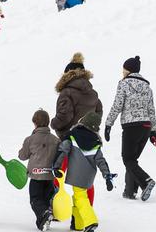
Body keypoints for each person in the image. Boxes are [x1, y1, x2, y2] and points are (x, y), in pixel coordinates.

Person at [51, 52, 103, 204]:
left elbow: (65, 116)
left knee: (58, 172)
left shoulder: (67, 92)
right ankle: (86, 210)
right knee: (85, 179)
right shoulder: (93, 93)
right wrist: (91, 129)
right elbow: (98, 113)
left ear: (68, 74)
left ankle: (56, 207)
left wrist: (54, 123)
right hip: (89, 141)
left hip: (69, 139)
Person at [104, 56, 156, 201]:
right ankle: (130, 191)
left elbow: (117, 105)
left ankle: (146, 181)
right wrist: (153, 131)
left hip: (131, 126)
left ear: (128, 70)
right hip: (146, 126)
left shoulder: (124, 84)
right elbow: (151, 110)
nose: (122, 72)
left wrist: (108, 124)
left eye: (124, 69)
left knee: (128, 159)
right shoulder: (147, 87)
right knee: (132, 160)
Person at [51, 112, 115, 232]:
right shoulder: (96, 141)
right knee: (78, 196)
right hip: (89, 176)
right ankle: (78, 224)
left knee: (80, 198)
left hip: (76, 174)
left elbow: (62, 151)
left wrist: (56, 167)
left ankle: (91, 221)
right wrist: (107, 176)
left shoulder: (72, 136)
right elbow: (101, 160)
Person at [18, 109, 60, 231]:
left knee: (35, 199)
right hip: (50, 176)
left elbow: (22, 156)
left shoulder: (30, 139)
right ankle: (42, 222)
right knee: (46, 199)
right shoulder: (55, 140)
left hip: (36, 176)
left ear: (35, 122)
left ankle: (45, 215)